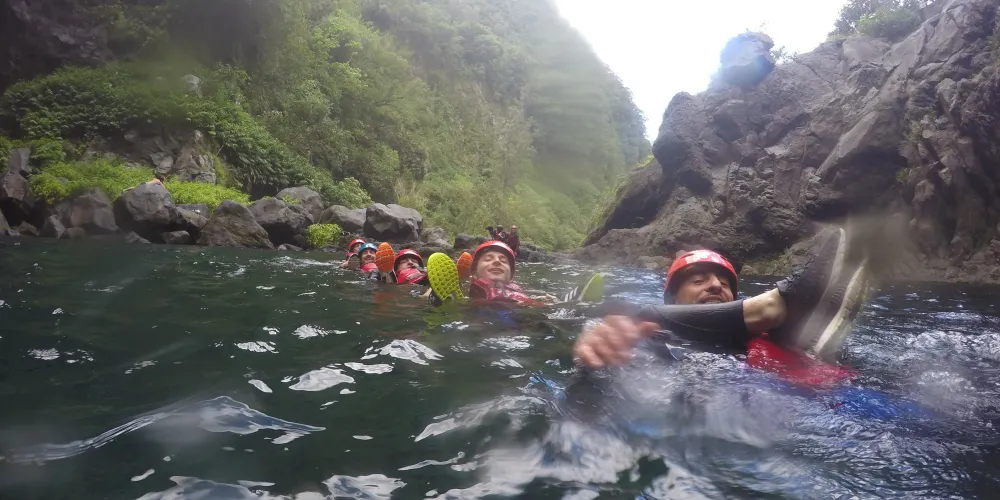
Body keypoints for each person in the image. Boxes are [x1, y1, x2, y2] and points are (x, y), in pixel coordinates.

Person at [572, 228, 865, 387]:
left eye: (724, 284)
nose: (715, 285)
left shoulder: (762, 340)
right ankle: (778, 309)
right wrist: (599, 348)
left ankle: (803, 336)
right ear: (672, 301)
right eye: (698, 280)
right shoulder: (650, 338)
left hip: (812, 400)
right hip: (717, 405)